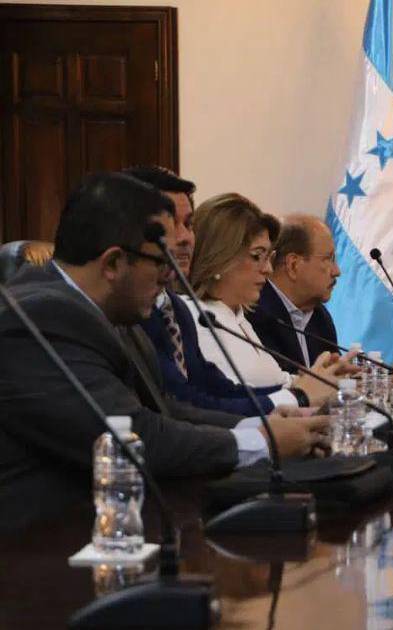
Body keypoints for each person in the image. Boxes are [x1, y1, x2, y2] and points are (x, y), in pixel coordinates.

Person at [0, 173, 329, 512]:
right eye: (161, 261)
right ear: (113, 263)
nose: (171, 274)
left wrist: (259, 424)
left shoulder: (113, 314)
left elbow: (166, 409)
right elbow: (132, 436)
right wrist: (262, 443)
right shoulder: (40, 317)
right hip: (46, 533)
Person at [126, 166, 311, 416]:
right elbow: (182, 404)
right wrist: (299, 396)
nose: (184, 237)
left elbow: (218, 389)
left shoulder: (176, 308)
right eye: (168, 225)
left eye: (188, 224)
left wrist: (300, 396)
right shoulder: (146, 311)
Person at [184, 193, 351, 403]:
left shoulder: (238, 315)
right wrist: (305, 391)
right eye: (257, 256)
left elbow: (279, 381)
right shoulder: (194, 316)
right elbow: (225, 397)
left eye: (268, 257)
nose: (268, 269)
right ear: (221, 257)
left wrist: (325, 378)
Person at [245, 214, 340, 372]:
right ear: (293, 265)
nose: (337, 271)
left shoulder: (320, 317)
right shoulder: (255, 314)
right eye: (328, 259)